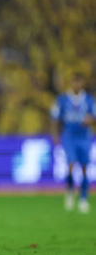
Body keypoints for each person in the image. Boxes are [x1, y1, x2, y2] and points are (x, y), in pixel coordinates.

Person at [51, 73, 95, 214]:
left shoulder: (89, 100)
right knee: (70, 165)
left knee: (84, 168)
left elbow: (93, 116)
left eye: (79, 82)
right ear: (71, 83)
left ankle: (83, 199)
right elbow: (55, 118)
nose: (77, 85)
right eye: (75, 82)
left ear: (82, 83)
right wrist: (55, 134)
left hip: (84, 137)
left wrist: (90, 120)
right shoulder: (62, 99)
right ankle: (70, 192)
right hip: (69, 136)